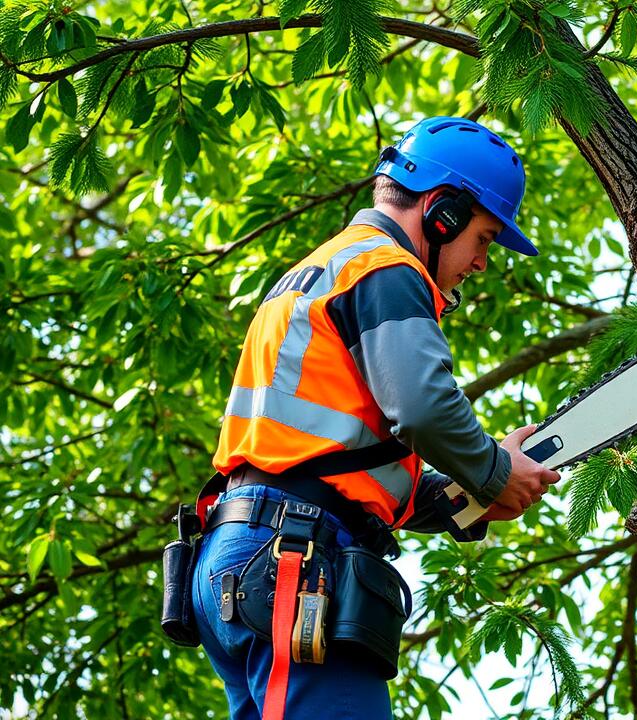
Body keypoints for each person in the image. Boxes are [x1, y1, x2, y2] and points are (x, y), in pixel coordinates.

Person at [190, 116, 560, 720]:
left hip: (243, 552)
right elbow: (422, 407)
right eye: (485, 239)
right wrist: (494, 470)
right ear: (443, 214)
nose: (481, 262)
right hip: (294, 556)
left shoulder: (325, 269)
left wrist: (466, 495)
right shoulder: (385, 268)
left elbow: (336, 461)